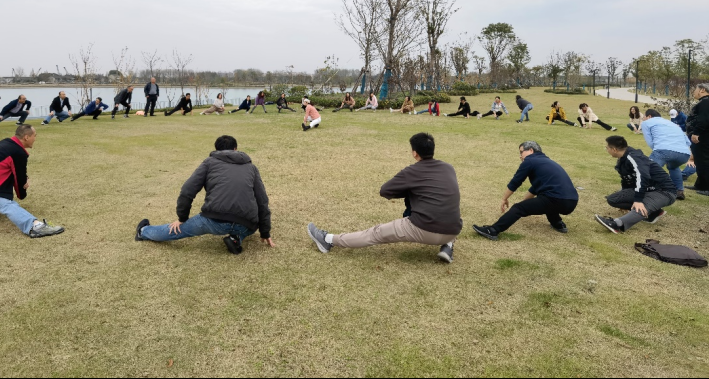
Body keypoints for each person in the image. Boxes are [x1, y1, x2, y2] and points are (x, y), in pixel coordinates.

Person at [307, 133, 461, 263]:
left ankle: (327, 240)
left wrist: (409, 192)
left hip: (424, 229)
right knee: (447, 209)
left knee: (375, 233)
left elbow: (385, 191)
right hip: (453, 230)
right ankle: (448, 245)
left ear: (415, 153)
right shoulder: (448, 168)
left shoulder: (412, 171)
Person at [135, 135, 274, 254]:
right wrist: (265, 231)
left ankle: (143, 231)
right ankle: (236, 238)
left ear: (216, 149)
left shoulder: (209, 162)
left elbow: (187, 190)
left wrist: (182, 218)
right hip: (246, 223)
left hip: (213, 220)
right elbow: (262, 201)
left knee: (179, 230)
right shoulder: (251, 167)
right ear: (235, 149)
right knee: (252, 223)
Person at [0, 124, 64, 238]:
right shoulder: (17, 152)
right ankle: (34, 227)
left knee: (1, 184)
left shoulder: (8, 143)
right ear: (26, 137)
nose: (35, 138)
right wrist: (23, 190)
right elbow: (20, 179)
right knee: (7, 205)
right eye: (34, 136)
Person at [473, 141, 579, 240]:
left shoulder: (530, 160)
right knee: (544, 200)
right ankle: (558, 223)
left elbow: (516, 182)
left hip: (555, 199)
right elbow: (534, 189)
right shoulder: (547, 162)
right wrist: (526, 204)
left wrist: (505, 199)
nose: (520, 155)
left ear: (531, 150)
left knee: (519, 207)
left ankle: (493, 230)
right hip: (572, 201)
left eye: (521, 152)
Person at [595, 135, 676, 233]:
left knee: (641, 206)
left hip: (663, 191)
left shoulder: (634, 157)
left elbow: (643, 177)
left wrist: (638, 200)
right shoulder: (622, 159)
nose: (606, 149)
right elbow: (627, 180)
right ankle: (654, 212)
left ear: (614, 149)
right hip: (647, 189)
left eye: (607, 148)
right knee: (613, 199)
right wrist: (626, 196)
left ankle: (617, 224)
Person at [640, 109, 692, 200]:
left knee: (648, 168)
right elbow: (688, 142)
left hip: (663, 150)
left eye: (644, 116)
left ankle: (643, 191)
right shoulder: (672, 124)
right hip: (684, 153)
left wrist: (658, 152)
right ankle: (679, 191)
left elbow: (650, 142)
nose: (643, 118)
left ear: (649, 116)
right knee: (674, 167)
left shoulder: (647, 123)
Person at [685, 83, 709, 195]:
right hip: (701, 137)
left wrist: (696, 133)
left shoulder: (706, 102)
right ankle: (700, 184)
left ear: (702, 90)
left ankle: (707, 187)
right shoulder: (703, 102)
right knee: (699, 160)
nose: (694, 91)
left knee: (704, 161)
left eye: (696, 89)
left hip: (702, 137)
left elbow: (704, 120)